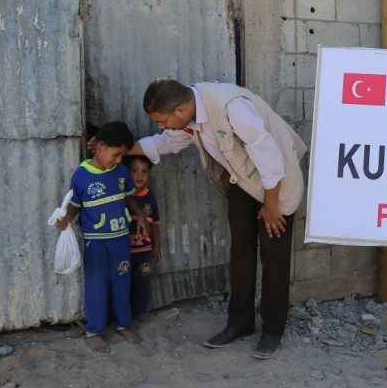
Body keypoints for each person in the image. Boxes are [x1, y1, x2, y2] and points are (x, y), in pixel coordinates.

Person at [131, 77, 307, 359]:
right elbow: (166, 143)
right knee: (241, 253)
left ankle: (273, 330)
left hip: (276, 183)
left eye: (162, 121)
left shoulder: (231, 107)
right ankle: (240, 323)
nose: (162, 127)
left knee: (274, 256)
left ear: (179, 110)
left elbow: (268, 155)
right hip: (242, 182)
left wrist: (271, 206)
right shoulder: (189, 114)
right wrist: (123, 150)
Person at [57, 121, 150, 353]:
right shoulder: (81, 176)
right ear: (99, 148)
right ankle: (94, 330)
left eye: (123, 156)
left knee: (122, 283)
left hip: (120, 240)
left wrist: (141, 216)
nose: (119, 160)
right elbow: (75, 204)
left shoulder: (121, 172)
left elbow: (128, 198)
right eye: (116, 154)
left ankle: (123, 324)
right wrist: (66, 218)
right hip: (95, 242)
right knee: (97, 286)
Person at [124, 155, 161, 319]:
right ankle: (125, 313)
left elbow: (155, 224)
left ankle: (139, 311)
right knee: (125, 281)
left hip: (144, 250)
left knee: (142, 281)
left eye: (144, 172)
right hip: (125, 250)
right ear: (127, 172)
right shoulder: (123, 197)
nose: (139, 176)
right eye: (135, 171)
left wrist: (157, 247)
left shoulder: (149, 198)